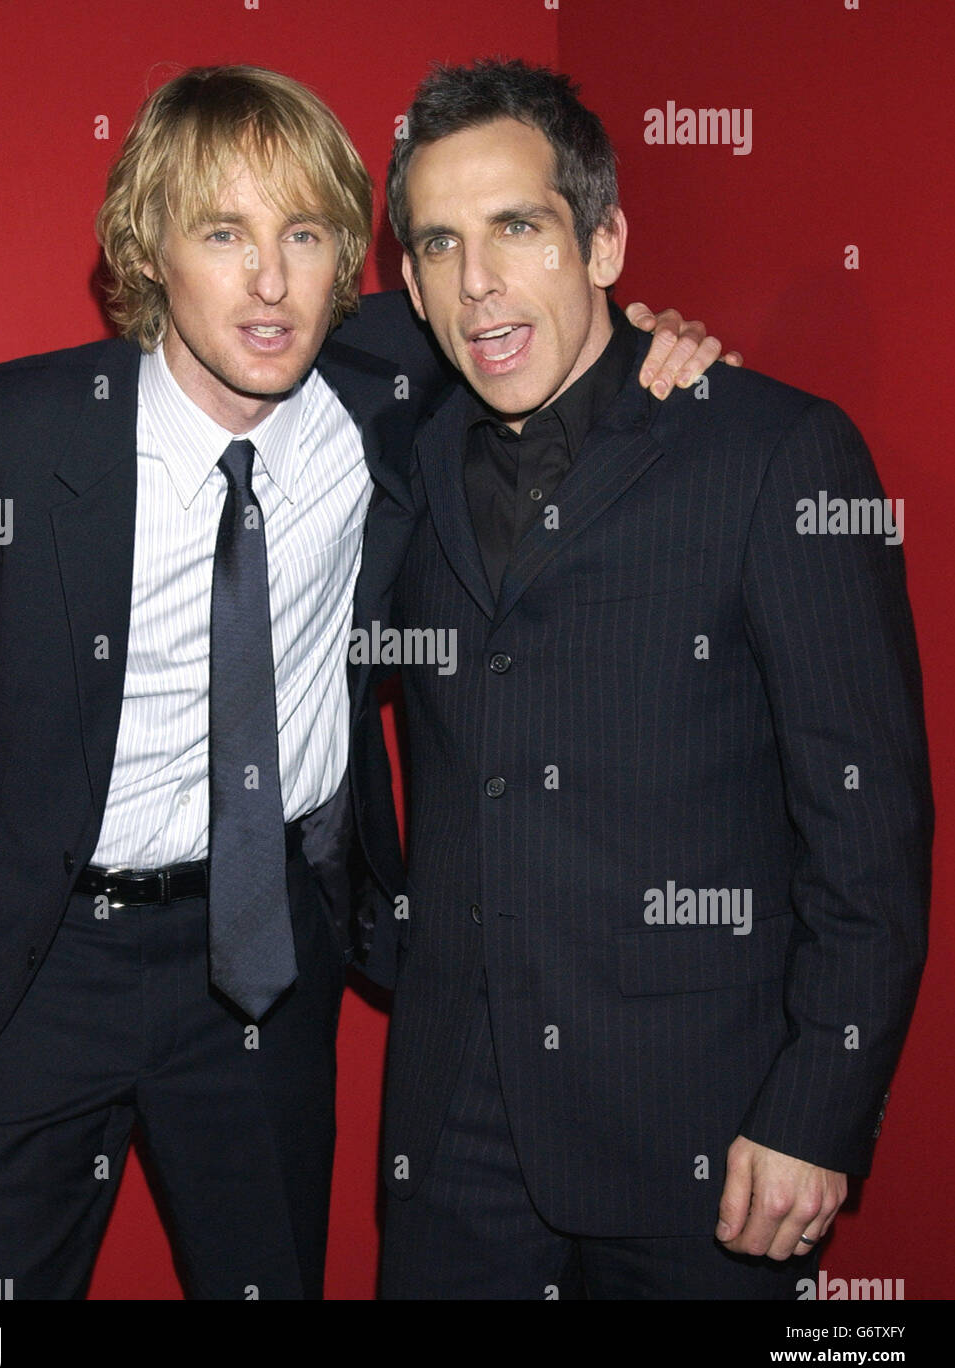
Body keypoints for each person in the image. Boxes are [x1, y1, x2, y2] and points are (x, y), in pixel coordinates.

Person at [0, 63, 721, 1300]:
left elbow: (545, 321)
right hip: (37, 958)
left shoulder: (392, 385)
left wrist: (663, 338)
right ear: (150, 247)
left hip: (260, 956)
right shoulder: (1, 434)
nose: (270, 283)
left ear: (349, 263)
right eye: (223, 233)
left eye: (305, 235)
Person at [353, 58, 933, 1299]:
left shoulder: (778, 452)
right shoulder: (391, 467)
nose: (480, 283)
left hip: (706, 1131)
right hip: (453, 1132)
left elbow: (868, 822)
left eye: (520, 228)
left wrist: (817, 1108)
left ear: (604, 240)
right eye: (440, 244)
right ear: (406, 280)